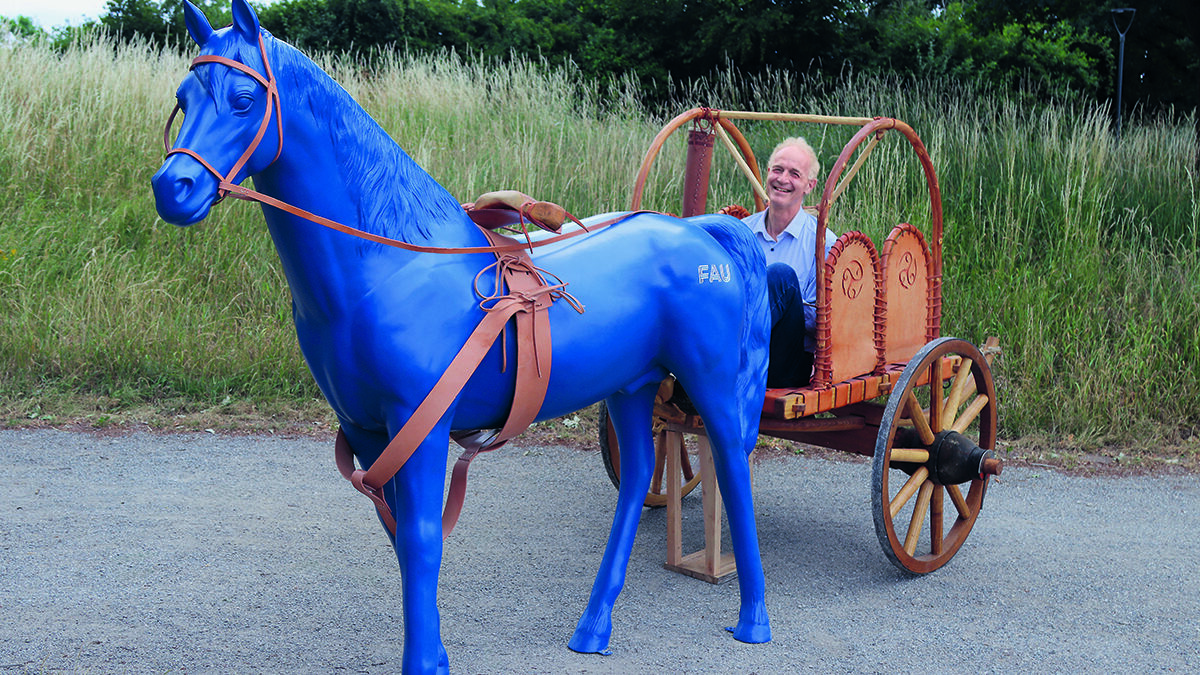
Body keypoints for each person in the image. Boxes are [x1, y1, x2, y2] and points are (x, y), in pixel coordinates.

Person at [741, 137, 836, 388]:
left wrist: (786, 303)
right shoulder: (742, 232)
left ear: (809, 185)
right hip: (736, 346)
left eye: (794, 174)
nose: (783, 179)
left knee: (781, 277)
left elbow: (828, 324)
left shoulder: (823, 244)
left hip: (785, 363)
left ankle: (718, 362)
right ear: (767, 173)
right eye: (778, 170)